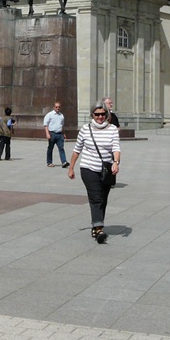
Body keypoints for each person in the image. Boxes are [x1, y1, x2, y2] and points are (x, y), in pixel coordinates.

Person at [68, 101, 121, 243]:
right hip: (88, 168)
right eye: (97, 114)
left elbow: (116, 147)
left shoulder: (112, 129)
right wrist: (71, 167)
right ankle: (99, 229)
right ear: (92, 115)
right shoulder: (85, 129)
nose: (100, 117)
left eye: (103, 114)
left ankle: (96, 225)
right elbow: (77, 149)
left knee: (103, 198)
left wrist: (116, 162)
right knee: (96, 197)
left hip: (106, 169)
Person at [43, 101, 68, 167]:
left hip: (60, 134)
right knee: (50, 148)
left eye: (59, 107)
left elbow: (62, 125)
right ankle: (49, 162)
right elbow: (46, 125)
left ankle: (64, 162)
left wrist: (64, 133)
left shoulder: (61, 115)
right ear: (53, 107)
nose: (58, 108)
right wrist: (47, 134)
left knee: (61, 148)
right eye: (56, 107)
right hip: (52, 134)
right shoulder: (49, 115)